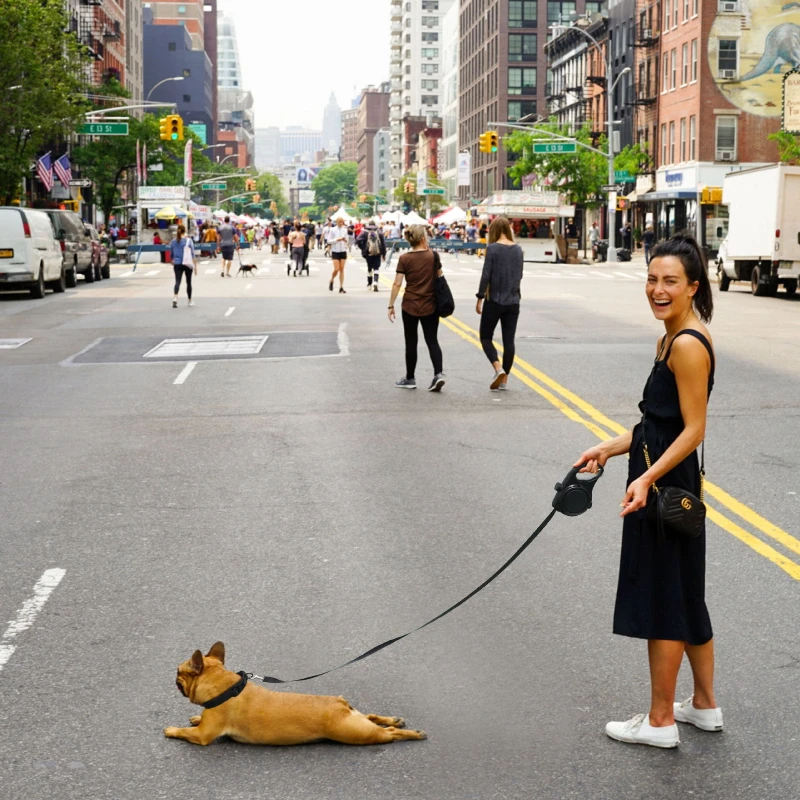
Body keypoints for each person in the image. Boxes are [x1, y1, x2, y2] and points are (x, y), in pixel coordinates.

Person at [574, 234, 719, 749]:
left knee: (664, 600)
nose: (658, 290)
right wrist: (610, 449)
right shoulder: (671, 336)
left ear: (692, 287)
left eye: (670, 282)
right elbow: (658, 422)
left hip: (665, 488)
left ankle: (660, 721)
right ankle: (704, 705)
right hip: (662, 478)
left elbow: (693, 429)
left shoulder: (686, 344)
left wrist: (646, 477)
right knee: (684, 594)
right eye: (653, 279)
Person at [387, 225, 445, 392]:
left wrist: (391, 304)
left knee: (411, 342)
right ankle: (438, 374)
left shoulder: (404, 258)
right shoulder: (433, 256)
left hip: (410, 305)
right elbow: (439, 277)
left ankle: (410, 378)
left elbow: (397, 283)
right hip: (431, 305)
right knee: (432, 340)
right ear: (422, 238)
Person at [475, 217, 523, 391]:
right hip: (513, 301)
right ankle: (505, 380)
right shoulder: (518, 249)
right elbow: (520, 275)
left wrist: (480, 297)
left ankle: (498, 368)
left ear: (493, 231)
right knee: (508, 340)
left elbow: (486, 275)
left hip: (494, 300)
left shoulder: (492, 249)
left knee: (486, 337)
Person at [170, 224, 197, 308]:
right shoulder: (188, 241)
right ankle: (189, 300)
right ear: (185, 231)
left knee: (177, 281)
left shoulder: (173, 241)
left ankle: (175, 298)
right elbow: (193, 254)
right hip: (187, 263)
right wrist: (195, 266)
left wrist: (172, 260)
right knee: (188, 282)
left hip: (177, 264)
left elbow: (171, 254)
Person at [357, 221, 386, 291]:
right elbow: (383, 244)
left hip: (368, 253)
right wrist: (384, 254)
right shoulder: (379, 232)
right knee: (376, 268)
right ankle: (375, 282)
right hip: (377, 253)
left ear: (369, 225)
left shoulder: (365, 232)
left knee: (369, 268)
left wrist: (363, 248)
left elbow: (358, 239)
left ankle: (369, 284)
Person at [327, 216, 349, 293]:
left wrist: (345, 241)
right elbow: (329, 241)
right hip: (335, 251)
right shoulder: (333, 230)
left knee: (342, 269)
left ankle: (341, 287)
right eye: (339, 222)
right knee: (336, 269)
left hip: (343, 250)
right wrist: (337, 239)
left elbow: (347, 240)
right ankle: (332, 280)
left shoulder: (344, 230)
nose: (340, 223)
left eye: (342, 222)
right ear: (337, 222)